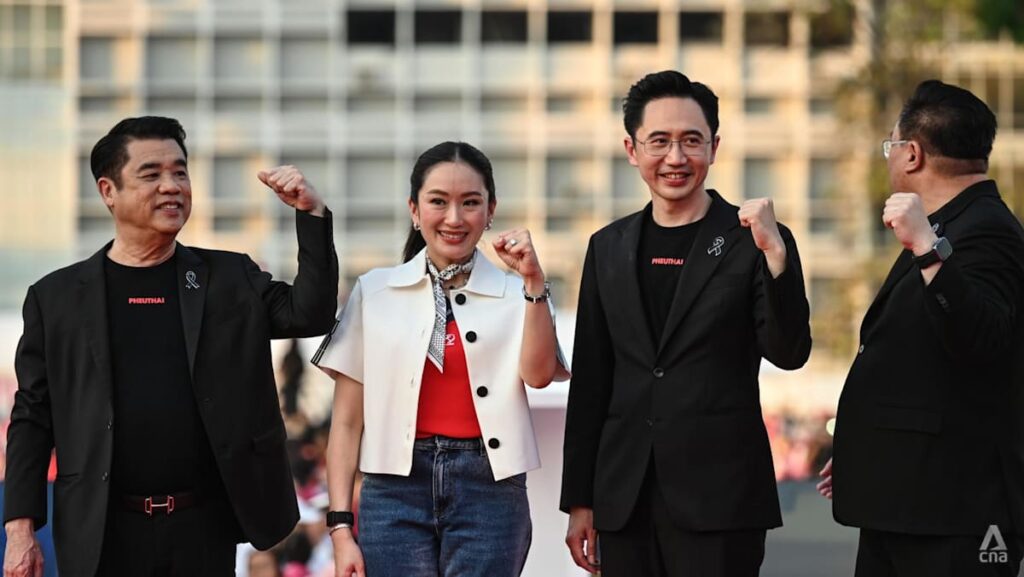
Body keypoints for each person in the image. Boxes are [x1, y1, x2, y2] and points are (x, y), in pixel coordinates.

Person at [3, 116, 339, 577]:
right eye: (151, 174)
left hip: (203, 524)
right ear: (108, 191)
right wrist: (20, 529)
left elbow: (310, 314)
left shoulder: (229, 278)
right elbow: (32, 415)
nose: (172, 186)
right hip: (101, 529)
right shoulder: (56, 298)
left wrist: (311, 214)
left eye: (180, 172)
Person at [560, 70, 812, 577]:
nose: (675, 158)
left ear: (714, 148)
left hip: (721, 496)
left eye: (691, 141)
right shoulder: (607, 247)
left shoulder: (756, 238)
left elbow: (789, 352)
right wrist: (580, 500)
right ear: (632, 150)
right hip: (625, 497)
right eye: (659, 141)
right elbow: (591, 380)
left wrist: (776, 257)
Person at [312, 141, 569, 577]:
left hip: (490, 489)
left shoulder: (518, 293)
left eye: (470, 202)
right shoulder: (375, 292)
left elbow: (540, 376)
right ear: (414, 209)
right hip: (393, 491)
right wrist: (340, 529)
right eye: (438, 202)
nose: (454, 218)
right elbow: (347, 422)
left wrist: (533, 282)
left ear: (490, 210)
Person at [818, 80, 1024, 577]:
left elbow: (982, 338)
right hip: (907, 499)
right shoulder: (946, 224)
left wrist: (930, 251)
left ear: (912, 154)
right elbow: (918, 363)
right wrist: (868, 445)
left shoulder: (986, 229)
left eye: (890, 145)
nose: (889, 157)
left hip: (954, 515)